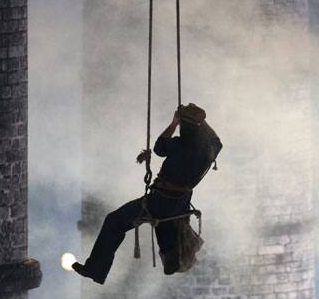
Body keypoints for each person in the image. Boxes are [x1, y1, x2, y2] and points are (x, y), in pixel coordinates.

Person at [73, 103, 222, 284]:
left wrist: (174, 122)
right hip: (180, 202)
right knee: (166, 225)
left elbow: (159, 147)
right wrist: (200, 121)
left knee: (114, 222)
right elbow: (217, 141)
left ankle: (96, 269)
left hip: (160, 200)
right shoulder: (206, 150)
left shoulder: (178, 145)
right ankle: (171, 255)